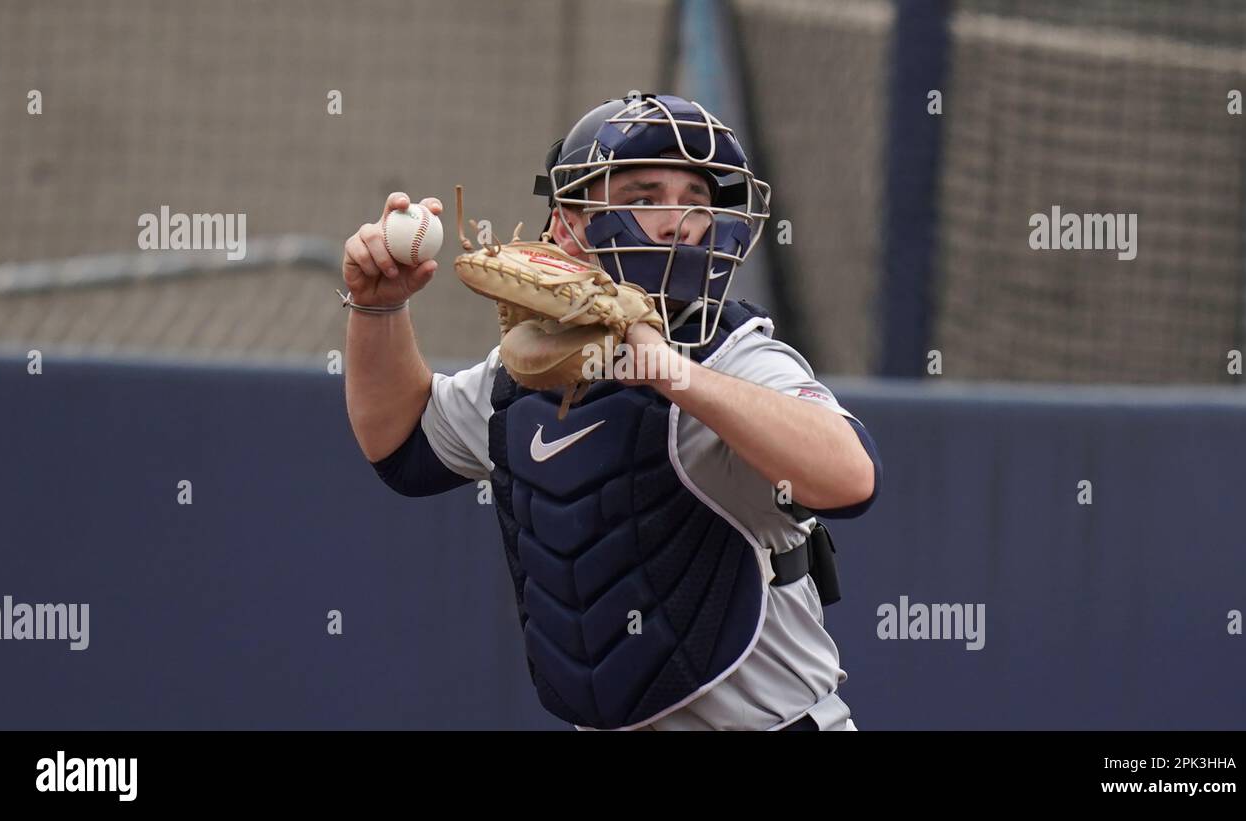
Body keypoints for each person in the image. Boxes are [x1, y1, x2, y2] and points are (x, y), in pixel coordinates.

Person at [340, 91, 882, 731]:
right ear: (567, 223)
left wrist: (674, 372)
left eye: (696, 202)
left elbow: (852, 479)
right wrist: (378, 308)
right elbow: (403, 448)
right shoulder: (527, 368)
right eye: (644, 197)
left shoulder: (738, 356)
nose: (678, 221)